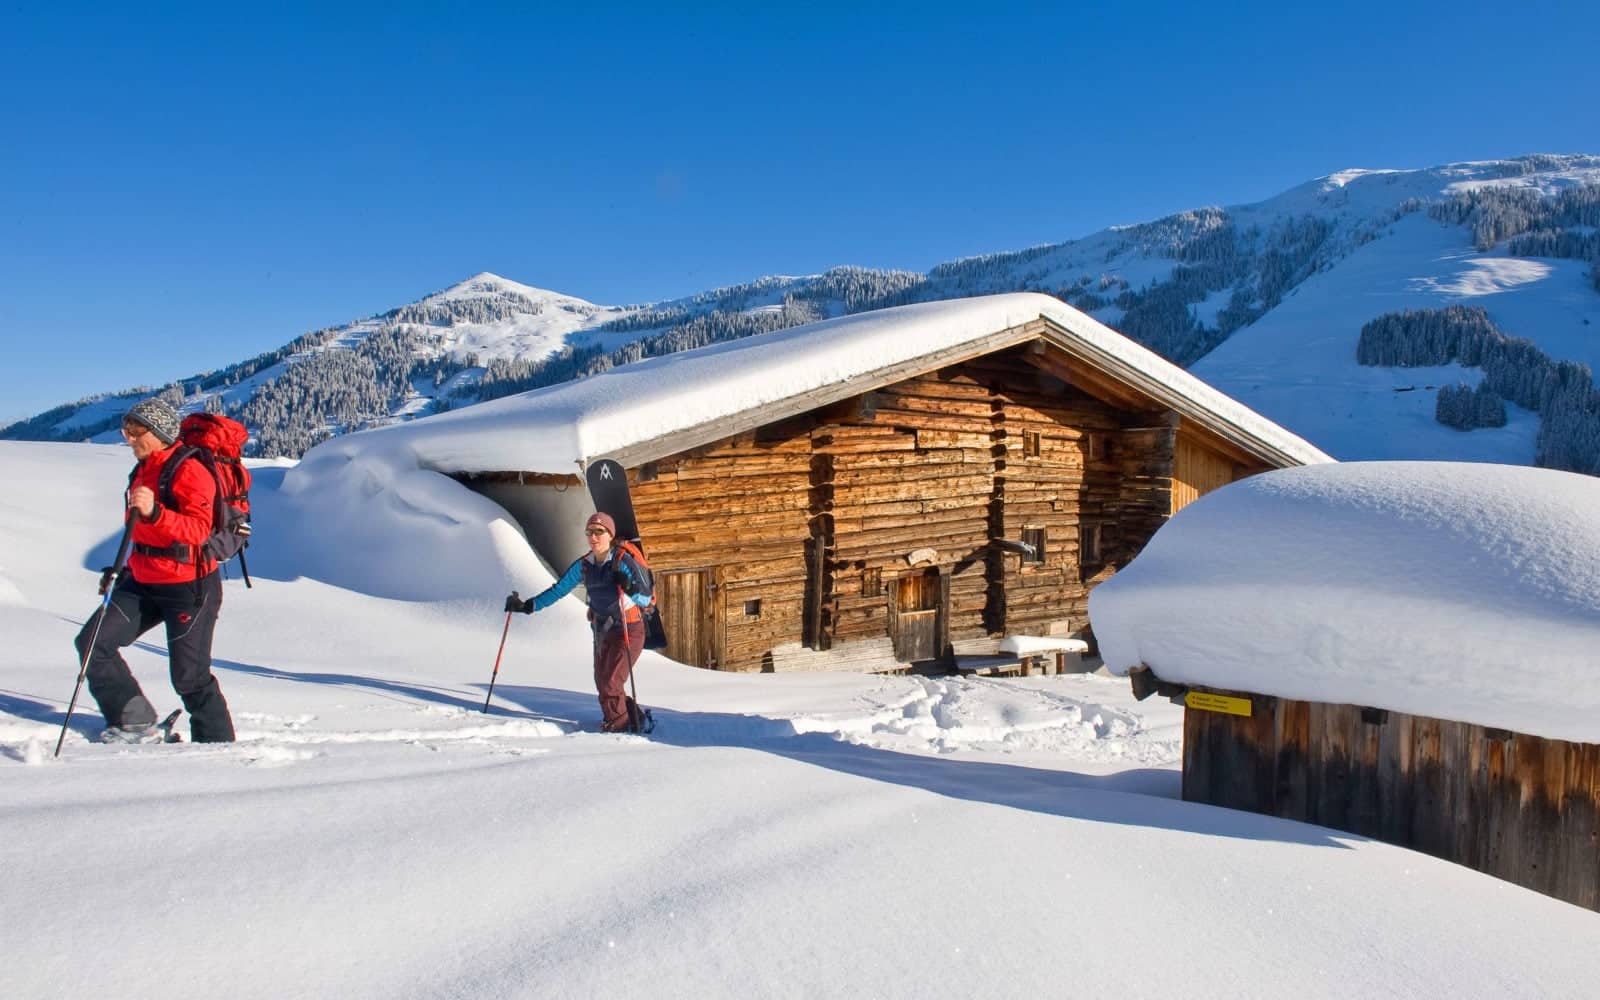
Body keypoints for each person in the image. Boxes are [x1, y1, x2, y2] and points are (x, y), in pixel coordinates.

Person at [74, 398, 236, 743]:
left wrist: (156, 512)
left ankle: (219, 749)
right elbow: (141, 532)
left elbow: (199, 532)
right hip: (143, 579)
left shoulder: (191, 471)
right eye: (126, 431)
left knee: (190, 678)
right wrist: (120, 570)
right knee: (92, 643)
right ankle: (132, 722)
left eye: (135, 431)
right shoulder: (143, 469)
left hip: (189, 586)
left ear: (160, 432)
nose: (128, 438)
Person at [506, 511, 652, 732]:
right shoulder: (584, 565)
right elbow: (559, 589)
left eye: (599, 532)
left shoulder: (623, 562)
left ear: (610, 535)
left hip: (629, 629)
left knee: (611, 681)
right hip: (602, 630)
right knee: (602, 680)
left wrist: (629, 587)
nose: (593, 537)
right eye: (589, 532)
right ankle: (635, 718)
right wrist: (528, 606)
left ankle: (619, 727)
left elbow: (646, 598)